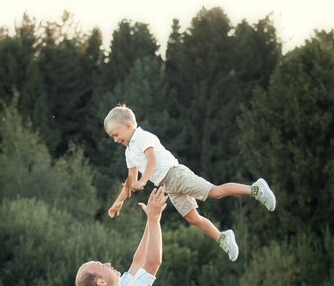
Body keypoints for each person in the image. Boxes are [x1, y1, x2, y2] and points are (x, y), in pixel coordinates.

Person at [104, 104, 277, 262]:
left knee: (215, 192)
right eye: (112, 137)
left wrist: (143, 180)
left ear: (128, 126)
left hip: (176, 175)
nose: (115, 139)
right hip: (168, 186)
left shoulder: (142, 137)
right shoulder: (129, 153)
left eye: (116, 134)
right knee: (192, 218)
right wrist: (118, 202)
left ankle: (256, 189)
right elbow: (130, 180)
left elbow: (152, 160)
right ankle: (222, 237)